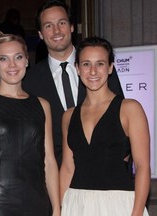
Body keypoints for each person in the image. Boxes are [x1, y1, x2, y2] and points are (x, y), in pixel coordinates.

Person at [0, 31, 60, 216]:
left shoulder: (42, 105)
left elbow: (49, 161)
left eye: (18, 57)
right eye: (3, 59)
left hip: (37, 203)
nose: (12, 65)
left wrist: (56, 208)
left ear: (26, 60)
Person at [22, 0, 124, 168]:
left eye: (61, 23)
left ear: (71, 27)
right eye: (48, 25)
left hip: (104, 170)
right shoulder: (29, 81)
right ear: (40, 34)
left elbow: (120, 121)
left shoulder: (99, 68)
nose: (56, 30)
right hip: (54, 177)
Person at [59, 36, 150, 216]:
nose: (93, 71)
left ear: (110, 67)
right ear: (77, 68)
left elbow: (142, 166)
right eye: (86, 64)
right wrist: (64, 207)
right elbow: (68, 168)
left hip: (118, 204)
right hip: (77, 204)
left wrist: (137, 212)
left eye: (100, 63)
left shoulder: (130, 109)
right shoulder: (68, 116)